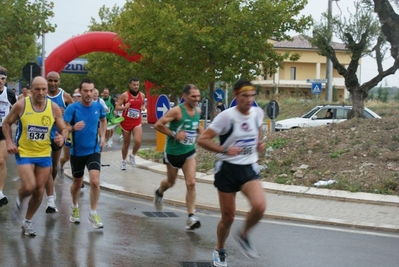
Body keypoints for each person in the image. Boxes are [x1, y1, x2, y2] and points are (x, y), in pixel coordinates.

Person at [197, 79, 266, 266]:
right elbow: (202, 140)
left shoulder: (257, 113)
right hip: (227, 169)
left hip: (248, 167)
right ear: (236, 95)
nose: (249, 99)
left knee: (260, 206)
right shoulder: (226, 117)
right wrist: (225, 150)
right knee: (228, 217)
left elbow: (258, 130)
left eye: (252, 95)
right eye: (245, 96)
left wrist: (258, 143)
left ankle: (243, 235)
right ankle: (220, 249)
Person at [3, 76, 67, 236]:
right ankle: (19, 200)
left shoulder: (53, 108)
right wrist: (9, 142)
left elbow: (63, 128)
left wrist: (62, 136)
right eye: (37, 89)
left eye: (44, 89)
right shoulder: (21, 105)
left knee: (39, 190)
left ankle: (27, 221)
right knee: (30, 186)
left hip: (44, 153)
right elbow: (6, 123)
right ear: (31, 89)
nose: (41, 92)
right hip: (24, 152)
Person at [153, 84, 203, 230]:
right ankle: (159, 192)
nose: (196, 99)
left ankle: (191, 217)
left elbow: (192, 126)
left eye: (198, 96)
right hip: (173, 153)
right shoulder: (176, 111)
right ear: (185, 96)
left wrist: (199, 130)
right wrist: (174, 134)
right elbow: (158, 124)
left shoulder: (198, 111)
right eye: (193, 96)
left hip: (189, 152)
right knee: (170, 182)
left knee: (191, 182)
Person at [63, 78, 106, 229]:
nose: (88, 94)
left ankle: (92, 213)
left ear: (94, 91)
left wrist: (103, 136)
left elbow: (103, 120)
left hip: (93, 150)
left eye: (91, 91)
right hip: (77, 152)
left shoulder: (98, 106)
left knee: (95, 181)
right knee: (77, 183)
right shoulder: (72, 109)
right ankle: (74, 207)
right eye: (85, 91)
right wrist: (73, 127)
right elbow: (64, 128)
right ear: (80, 92)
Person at [44, 71, 74, 214]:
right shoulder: (41, 93)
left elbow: (74, 111)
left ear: (59, 82)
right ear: (47, 80)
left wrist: (65, 111)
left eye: (56, 81)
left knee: (54, 166)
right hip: (42, 134)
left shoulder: (64, 96)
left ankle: (51, 188)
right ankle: (50, 196)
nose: (53, 83)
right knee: (47, 166)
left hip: (57, 134)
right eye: (50, 80)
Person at [115, 77, 146, 169]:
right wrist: (125, 107)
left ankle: (132, 155)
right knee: (126, 143)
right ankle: (123, 160)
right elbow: (117, 107)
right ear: (130, 85)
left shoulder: (142, 95)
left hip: (137, 121)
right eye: (134, 85)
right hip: (126, 122)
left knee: (138, 141)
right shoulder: (125, 95)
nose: (136, 86)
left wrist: (143, 107)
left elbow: (143, 103)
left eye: (137, 85)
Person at [0, 66, 17, 208]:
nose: (0, 81)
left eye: (2, 79)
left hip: (2, 130)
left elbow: (18, 111)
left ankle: (0, 192)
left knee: (1, 160)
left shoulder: (10, 94)